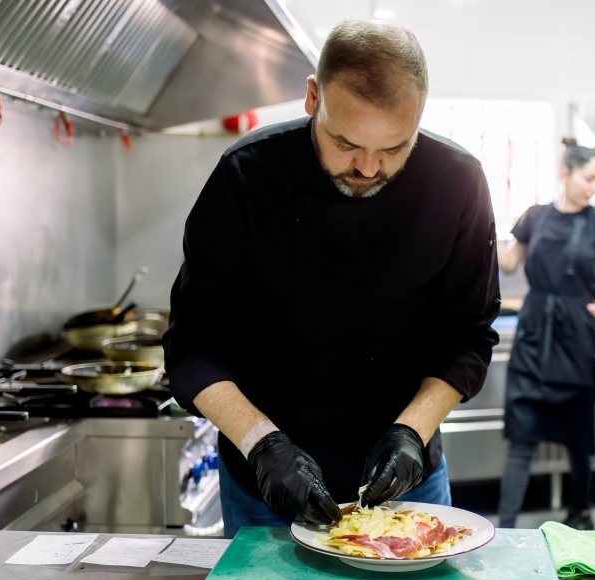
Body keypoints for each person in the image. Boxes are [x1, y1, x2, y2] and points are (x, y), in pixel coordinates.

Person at [163, 19, 500, 537]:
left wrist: (412, 433)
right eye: (345, 143)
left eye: (393, 148)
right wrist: (263, 446)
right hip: (265, 480)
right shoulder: (247, 175)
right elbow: (193, 345)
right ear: (312, 98)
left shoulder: (458, 184)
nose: (368, 168)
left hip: (407, 481)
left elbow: (468, 336)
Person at [495, 140, 595, 531]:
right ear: (565, 174)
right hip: (535, 333)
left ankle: (580, 513)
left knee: (578, 438)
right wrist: (478, 222)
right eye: (589, 178)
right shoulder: (534, 217)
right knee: (522, 440)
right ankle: (504, 527)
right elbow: (507, 263)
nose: (594, 187)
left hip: (578, 336)